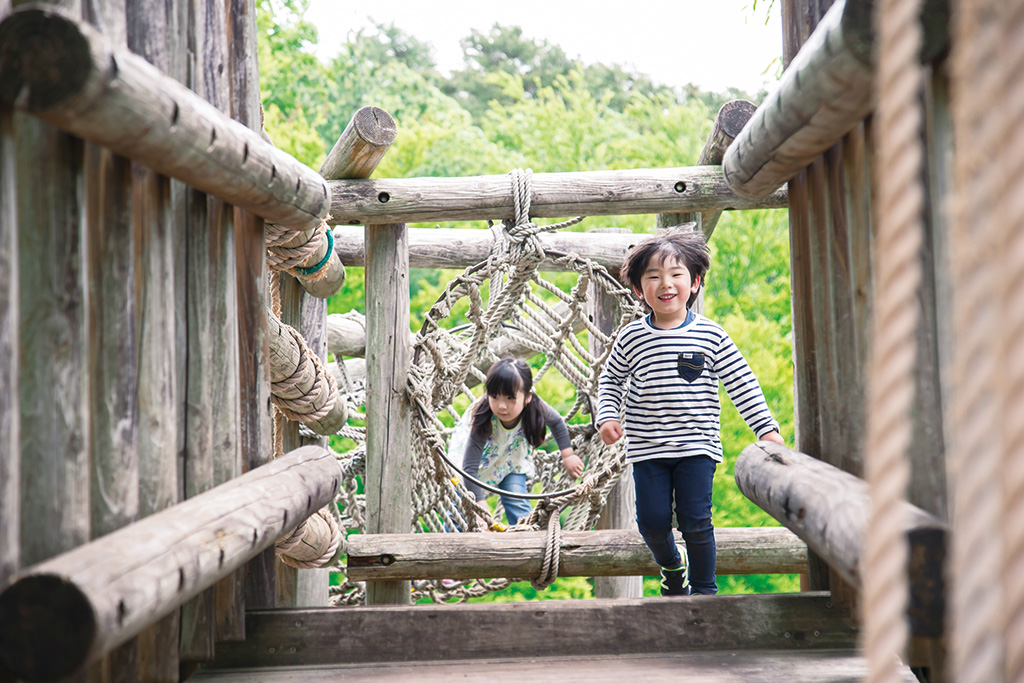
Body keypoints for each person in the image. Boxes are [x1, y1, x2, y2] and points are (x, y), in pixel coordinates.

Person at [597, 228, 784, 596]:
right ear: (639, 289)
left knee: (696, 522)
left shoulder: (710, 335)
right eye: (653, 277)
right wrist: (607, 416)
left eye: (676, 274)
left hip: (697, 447)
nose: (665, 284)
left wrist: (766, 429)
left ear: (694, 282)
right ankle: (671, 566)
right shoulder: (631, 337)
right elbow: (610, 380)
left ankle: (703, 593)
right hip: (649, 448)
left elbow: (741, 382)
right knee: (651, 523)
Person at [449, 357, 585, 526]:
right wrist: (480, 507)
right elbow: (468, 469)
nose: (502, 406)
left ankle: (525, 538)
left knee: (517, 502)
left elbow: (557, 422)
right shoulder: (483, 418)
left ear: (527, 397)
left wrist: (568, 455)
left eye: (510, 398)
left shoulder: (534, 406)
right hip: (472, 468)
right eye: (495, 397)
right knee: (460, 511)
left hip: (510, 461)